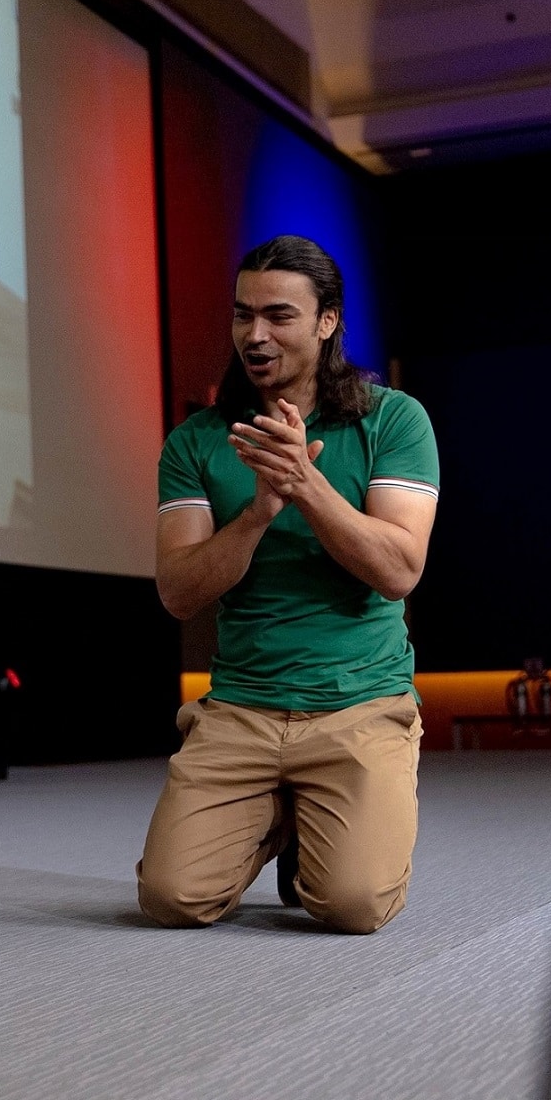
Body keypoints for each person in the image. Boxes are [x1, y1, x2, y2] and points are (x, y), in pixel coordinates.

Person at [140, 235, 440, 935]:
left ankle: (312, 816)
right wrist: (257, 515)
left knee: (352, 905)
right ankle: (279, 814)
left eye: (278, 315)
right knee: (170, 899)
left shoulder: (393, 419)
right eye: (243, 315)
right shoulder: (197, 440)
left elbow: (399, 570)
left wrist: (306, 486)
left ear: (327, 322)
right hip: (242, 707)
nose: (255, 334)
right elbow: (178, 593)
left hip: (360, 704)